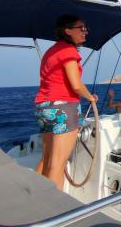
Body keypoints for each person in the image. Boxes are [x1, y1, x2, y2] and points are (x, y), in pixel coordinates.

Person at [34, 15, 98, 190]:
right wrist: (90, 97)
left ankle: (33, 197)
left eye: (86, 28)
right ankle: (54, 211)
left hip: (44, 108)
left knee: (47, 159)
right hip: (63, 108)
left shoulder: (51, 51)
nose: (85, 32)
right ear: (67, 30)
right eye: (81, 28)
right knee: (57, 164)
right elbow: (76, 85)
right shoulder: (69, 51)